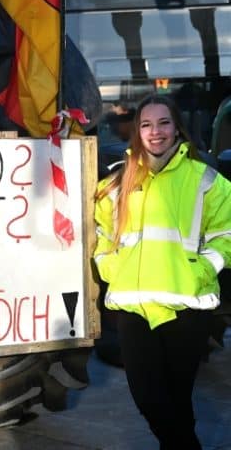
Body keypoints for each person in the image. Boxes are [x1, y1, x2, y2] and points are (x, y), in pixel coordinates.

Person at [93, 94, 231, 449]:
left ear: (177, 127)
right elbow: (103, 236)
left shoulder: (205, 179)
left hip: (186, 305)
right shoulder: (117, 182)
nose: (156, 132)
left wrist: (202, 270)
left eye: (164, 123)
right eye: (146, 124)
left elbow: (226, 235)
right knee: (150, 399)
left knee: (177, 398)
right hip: (134, 306)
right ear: (137, 132)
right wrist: (112, 269)